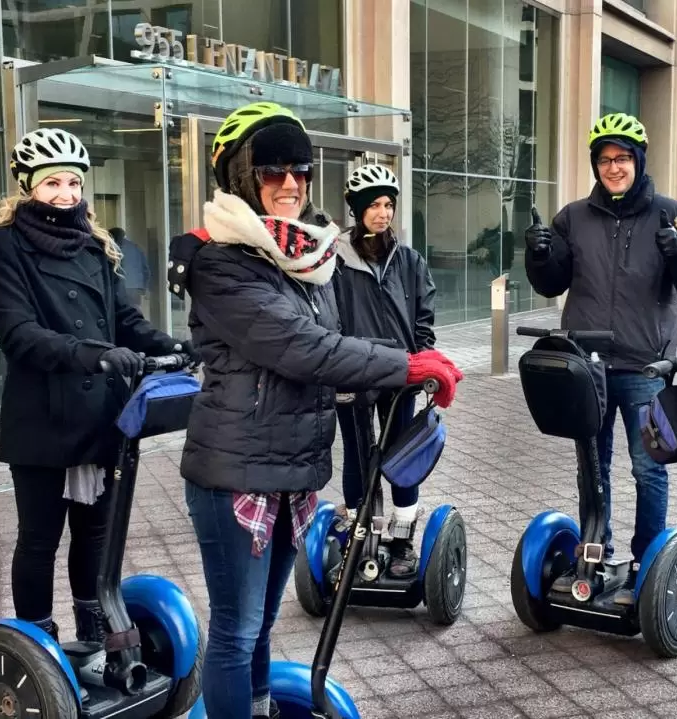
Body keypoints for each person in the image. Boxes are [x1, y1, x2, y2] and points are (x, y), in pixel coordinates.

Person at [166, 102, 464, 719]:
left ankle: (258, 708)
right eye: (272, 170)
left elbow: (340, 338)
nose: (290, 184)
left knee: (263, 623)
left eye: (299, 170)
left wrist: (409, 365)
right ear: (241, 177)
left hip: (293, 466)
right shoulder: (220, 262)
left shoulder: (308, 258)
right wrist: (408, 366)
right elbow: (302, 347)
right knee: (235, 629)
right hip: (236, 470)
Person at [0, 127, 188, 646]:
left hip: (100, 416)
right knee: (39, 540)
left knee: (96, 534)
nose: (66, 194)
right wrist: (98, 355)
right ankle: (36, 644)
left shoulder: (94, 245)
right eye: (52, 184)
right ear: (27, 187)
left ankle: (93, 632)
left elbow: (124, 319)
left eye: (73, 182)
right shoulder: (1, 246)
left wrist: (173, 344)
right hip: (43, 418)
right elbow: (20, 335)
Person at [523, 112, 677, 604]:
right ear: (595, 164)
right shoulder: (573, 217)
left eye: (623, 158)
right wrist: (539, 255)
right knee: (592, 464)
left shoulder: (671, 213)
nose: (614, 167)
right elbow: (551, 283)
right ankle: (595, 550)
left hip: (645, 366)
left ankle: (647, 560)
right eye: (605, 159)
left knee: (648, 467)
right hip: (587, 365)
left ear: (639, 161)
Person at [332, 163, 438, 578]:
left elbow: (424, 315)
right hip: (352, 372)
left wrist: (422, 357)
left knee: (401, 456)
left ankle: (402, 538)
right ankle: (360, 538)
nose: (382, 213)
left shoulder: (409, 261)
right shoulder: (335, 261)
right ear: (357, 210)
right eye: (373, 205)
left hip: (400, 374)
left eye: (388, 204)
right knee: (358, 457)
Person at [109, 227, 150, 307]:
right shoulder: (136, 247)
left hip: (121, 288)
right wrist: (143, 287)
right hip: (136, 288)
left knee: (121, 315)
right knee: (135, 313)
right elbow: (146, 270)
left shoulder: (112, 248)